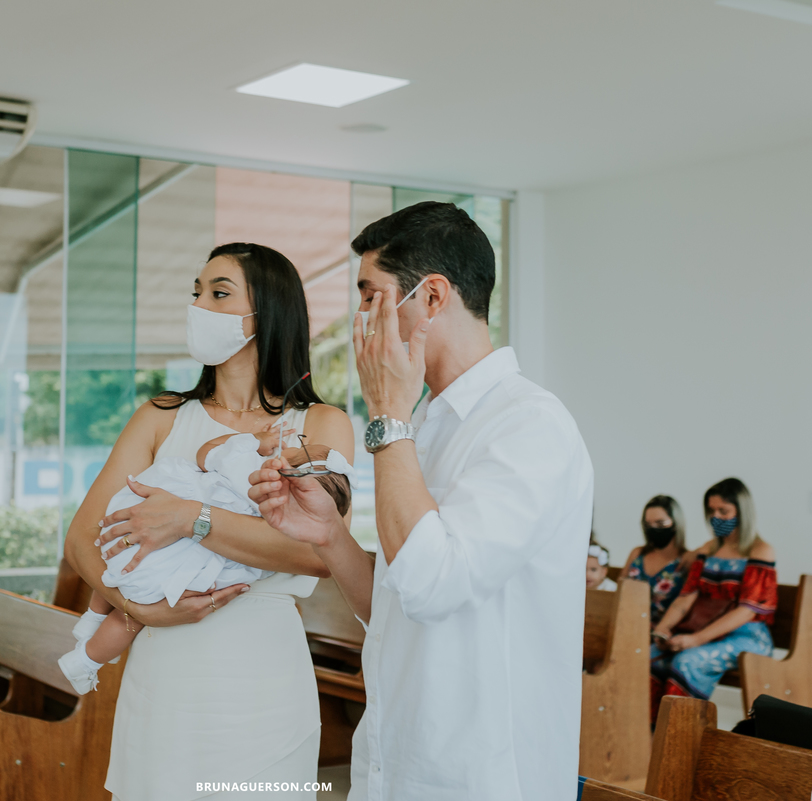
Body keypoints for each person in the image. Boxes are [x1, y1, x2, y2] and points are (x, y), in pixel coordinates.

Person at [249, 201, 594, 801]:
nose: (359, 319)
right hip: (398, 762)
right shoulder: (426, 422)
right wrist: (329, 534)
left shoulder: (529, 424)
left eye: (369, 295)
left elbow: (435, 583)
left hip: (481, 776)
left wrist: (386, 415)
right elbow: (397, 604)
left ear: (432, 298)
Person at [62, 242, 354, 801]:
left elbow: (318, 552)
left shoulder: (318, 424)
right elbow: (80, 539)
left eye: (219, 293)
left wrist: (191, 518)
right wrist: (135, 607)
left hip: (264, 672)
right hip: (165, 669)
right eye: (196, 292)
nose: (199, 306)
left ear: (268, 312)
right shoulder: (160, 417)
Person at [58, 426, 353, 695]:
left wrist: (254, 441)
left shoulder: (249, 468)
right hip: (186, 560)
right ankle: (85, 660)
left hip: (152, 530)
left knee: (122, 562)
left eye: (291, 452)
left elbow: (206, 453)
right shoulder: (281, 517)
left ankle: (91, 621)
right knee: (132, 610)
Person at [649, 478, 776, 721]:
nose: (716, 517)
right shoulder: (707, 549)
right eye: (711, 511)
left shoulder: (760, 551)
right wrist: (663, 629)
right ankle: (647, 732)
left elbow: (746, 611)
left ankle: (678, 735)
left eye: (723, 511)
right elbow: (685, 598)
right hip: (706, 629)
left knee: (687, 661)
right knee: (650, 655)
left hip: (747, 636)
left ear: (742, 511)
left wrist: (696, 639)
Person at [622, 495, 689, 624]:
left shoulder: (686, 560)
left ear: (675, 523)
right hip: (628, 624)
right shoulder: (637, 554)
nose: (653, 529)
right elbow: (620, 590)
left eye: (660, 523)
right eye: (648, 524)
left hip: (663, 630)